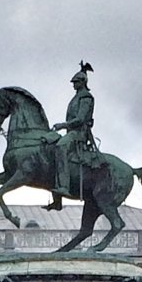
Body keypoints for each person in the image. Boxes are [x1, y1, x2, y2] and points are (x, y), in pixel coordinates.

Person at [49, 62, 96, 207]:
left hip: (79, 134)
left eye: (76, 82)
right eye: (73, 82)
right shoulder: (76, 98)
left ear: (82, 82)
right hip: (71, 132)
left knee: (60, 146)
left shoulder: (86, 98)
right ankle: (57, 201)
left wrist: (63, 125)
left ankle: (64, 186)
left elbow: (81, 119)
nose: (73, 85)